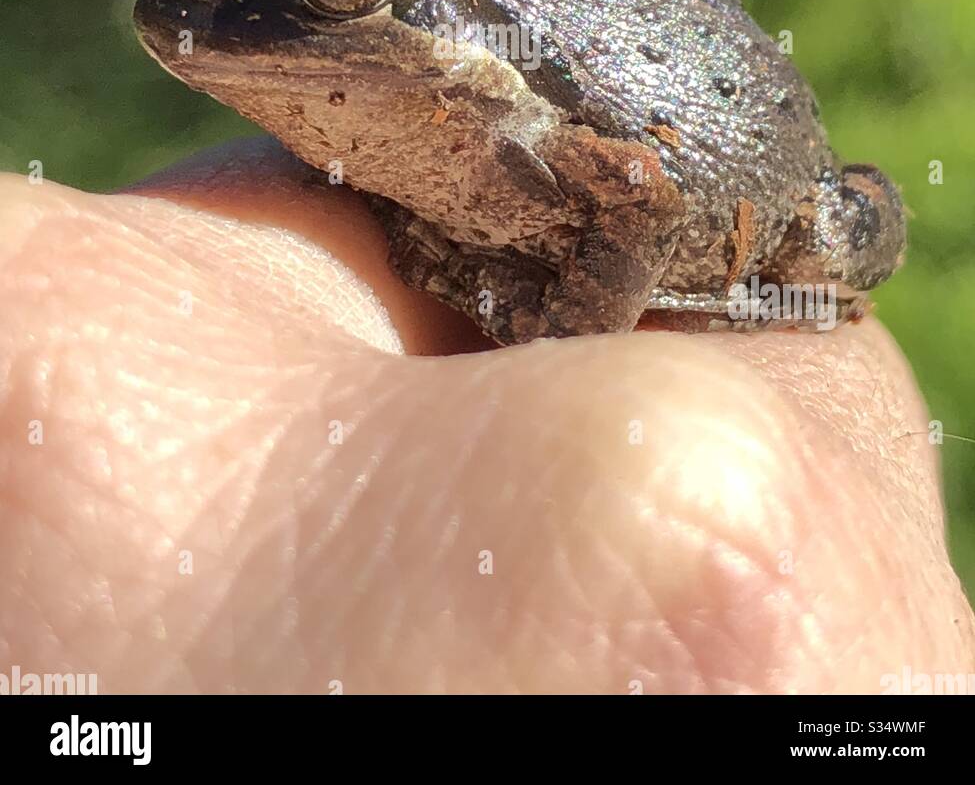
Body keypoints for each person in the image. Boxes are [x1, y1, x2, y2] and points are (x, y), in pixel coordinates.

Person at [1, 138, 972, 694]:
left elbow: (643, 193)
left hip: (763, 173)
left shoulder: (515, 114)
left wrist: (537, 316)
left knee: (826, 238)